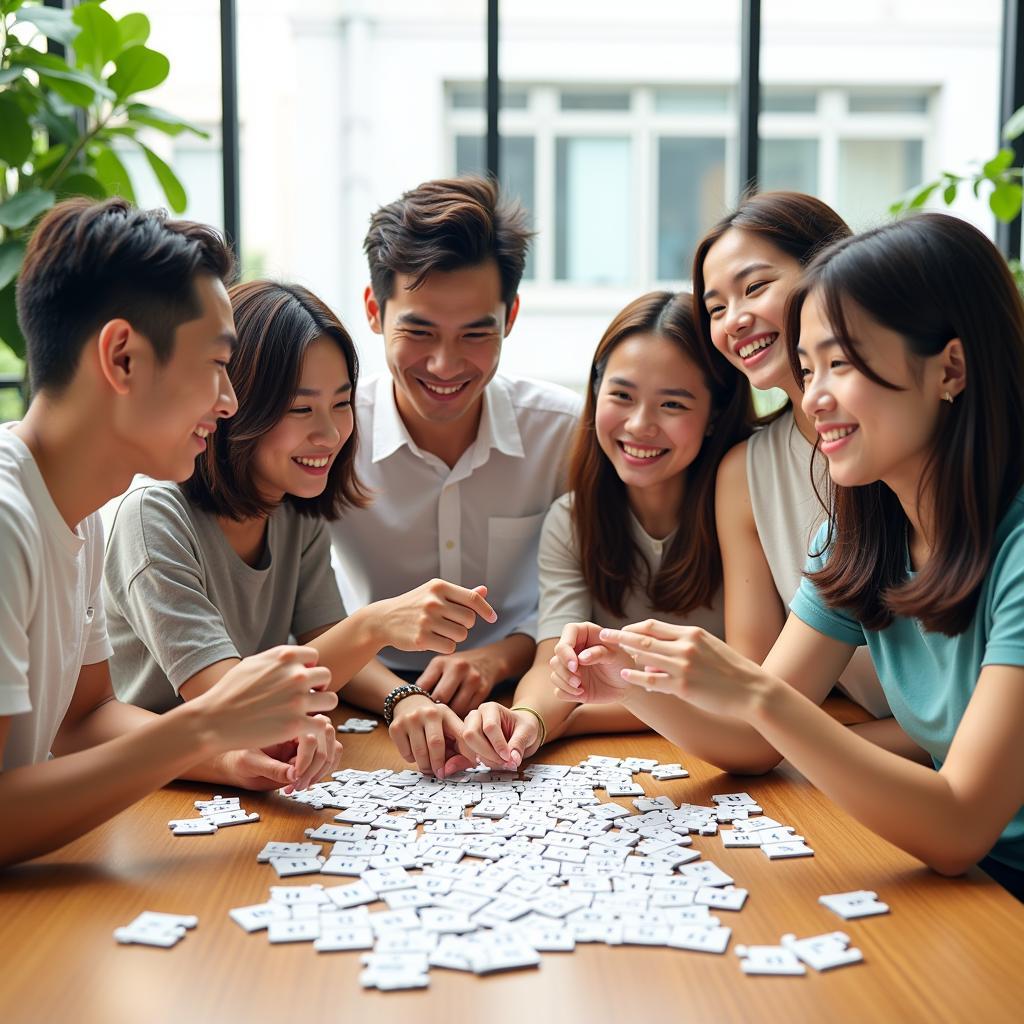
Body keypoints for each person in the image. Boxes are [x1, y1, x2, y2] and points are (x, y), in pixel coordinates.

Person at [551, 214, 1024, 899]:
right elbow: (753, 740)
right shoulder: (860, 535)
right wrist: (631, 681)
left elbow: (958, 826)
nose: (816, 394)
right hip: (968, 887)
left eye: (843, 362)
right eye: (807, 368)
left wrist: (752, 691)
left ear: (949, 368)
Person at [0, 198, 338, 868]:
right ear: (122, 358)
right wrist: (201, 726)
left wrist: (221, 752)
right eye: (216, 364)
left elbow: (80, 722)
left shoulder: (79, 509)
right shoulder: (7, 520)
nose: (231, 401)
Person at [104, 280, 496, 789]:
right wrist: (375, 624)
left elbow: (324, 642)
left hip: (242, 771)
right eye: (300, 408)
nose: (330, 435)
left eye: (340, 403)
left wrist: (408, 699)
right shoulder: (154, 515)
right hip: (151, 784)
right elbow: (229, 704)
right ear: (232, 405)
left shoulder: (293, 507)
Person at [329, 176, 581, 777]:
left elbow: (574, 599)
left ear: (511, 317)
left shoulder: (564, 434)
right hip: (364, 708)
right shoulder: (329, 438)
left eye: (475, 334)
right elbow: (306, 618)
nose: (445, 365)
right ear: (373, 310)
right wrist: (400, 695)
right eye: (418, 332)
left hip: (528, 703)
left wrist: (496, 661)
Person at [456, 291, 752, 769]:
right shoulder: (572, 520)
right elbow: (554, 659)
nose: (640, 425)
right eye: (622, 395)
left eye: (673, 404)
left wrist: (572, 718)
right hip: (646, 755)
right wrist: (528, 718)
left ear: (715, 412)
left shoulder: (741, 505)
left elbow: (747, 689)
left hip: (738, 758)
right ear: (596, 393)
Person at [696, 191, 907, 748]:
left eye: (755, 287)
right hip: (859, 744)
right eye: (715, 308)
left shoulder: (914, 452)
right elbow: (760, 686)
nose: (734, 320)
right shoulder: (747, 472)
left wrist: (808, 751)